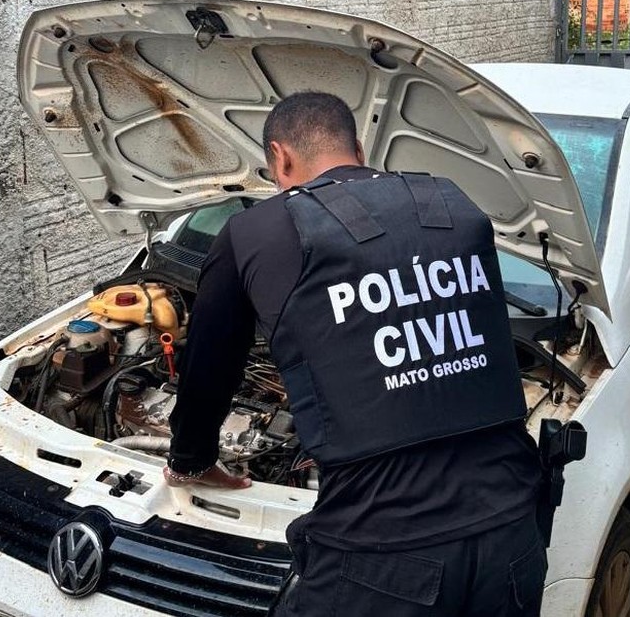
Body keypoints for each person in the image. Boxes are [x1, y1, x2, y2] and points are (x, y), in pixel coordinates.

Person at [165, 92, 547, 616]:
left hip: (379, 555)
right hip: (513, 536)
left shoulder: (255, 231)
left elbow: (209, 367)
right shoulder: (453, 204)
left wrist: (192, 462)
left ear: (280, 158)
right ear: (359, 150)